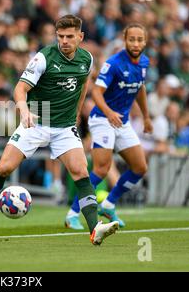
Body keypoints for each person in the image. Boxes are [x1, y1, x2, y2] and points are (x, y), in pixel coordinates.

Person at [0, 15, 119, 246]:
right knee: (4, 167)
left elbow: (84, 84)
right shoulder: (44, 57)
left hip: (64, 127)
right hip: (36, 121)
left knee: (81, 172)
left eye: (69, 36)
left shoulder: (87, 58)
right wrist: (23, 110)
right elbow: (20, 88)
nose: (64, 41)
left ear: (80, 37)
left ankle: (95, 229)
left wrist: (76, 113)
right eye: (60, 36)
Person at [65, 23, 153, 230]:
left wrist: (147, 117)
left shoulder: (144, 62)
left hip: (122, 122)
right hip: (102, 120)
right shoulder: (113, 64)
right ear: (125, 39)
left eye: (140, 39)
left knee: (140, 168)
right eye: (132, 39)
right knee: (101, 169)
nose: (136, 43)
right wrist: (109, 112)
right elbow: (96, 92)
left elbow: (140, 88)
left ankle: (109, 204)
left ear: (145, 41)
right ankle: (72, 214)